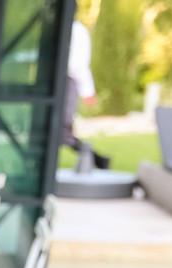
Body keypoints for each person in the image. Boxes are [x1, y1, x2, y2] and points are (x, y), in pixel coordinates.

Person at [64, 19, 110, 169]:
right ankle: (98, 159)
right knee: (59, 132)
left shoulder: (76, 30)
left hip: (67, 82)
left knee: (63, 132)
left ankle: (97, 159)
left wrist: (87, 91)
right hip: (59, 82)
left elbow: (78, 64)